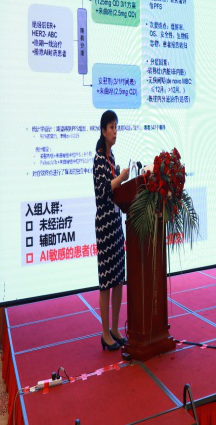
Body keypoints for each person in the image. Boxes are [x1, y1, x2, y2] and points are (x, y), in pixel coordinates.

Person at [93, 110, 130, 351]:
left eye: (116, 127)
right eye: (112, 127)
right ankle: (105, 334)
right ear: (103, 130)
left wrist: (123, 182)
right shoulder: (98, 159)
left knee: (118, 279)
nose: (115, 132)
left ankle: (115, 329)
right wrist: (121, 178)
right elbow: (104, 190)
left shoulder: (111, 157)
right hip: (105, 225)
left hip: (116, 221)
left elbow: (116, 191)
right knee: (106, 281)